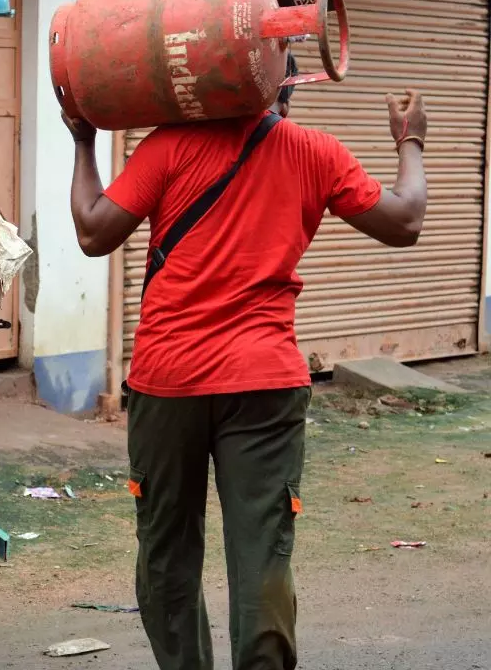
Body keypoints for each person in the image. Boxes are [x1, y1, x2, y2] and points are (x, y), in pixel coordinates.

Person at [61, 53, 428, 670]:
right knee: (262, 556)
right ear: (285, 88)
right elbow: (406, 220)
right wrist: (410, 141)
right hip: (265, 384)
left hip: (167, 382)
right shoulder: (317, 153)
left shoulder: (168, 146)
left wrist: (83, 141)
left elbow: (94, 232)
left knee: (166, 554)